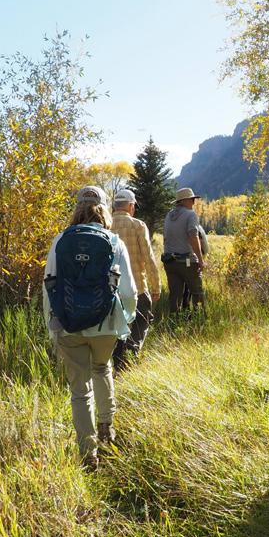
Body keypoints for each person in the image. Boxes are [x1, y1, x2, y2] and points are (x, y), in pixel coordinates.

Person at [42, 185, 137, 471]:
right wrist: (125, 319)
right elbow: (129, 291)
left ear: (77, 208)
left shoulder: (61, 240)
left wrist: (52, 325)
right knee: (102, 368)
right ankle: (106, 426)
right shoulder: (114, 241)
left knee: (80, 391)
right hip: (105, 324)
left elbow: (48, 286)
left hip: (69, 326)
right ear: (104, 208)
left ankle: (88, 453)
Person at [110, 188, 161, 370]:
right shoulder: (138, 225)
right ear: (131, 206)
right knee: (141, 321)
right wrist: (156, 287)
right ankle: (129, 359)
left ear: (115, 206)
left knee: (117, 328)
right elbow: (148, 258)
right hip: (137, 287)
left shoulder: (105, 225)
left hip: (111, 289)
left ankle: (118, 361)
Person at [161, 187, 206, 313]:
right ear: (184, 201)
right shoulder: (191, 214)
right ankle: (199, 319)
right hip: (187, 261)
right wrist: (200, 260)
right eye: (192, 199)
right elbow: (193, 237)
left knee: (175, 295)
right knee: (197, 292)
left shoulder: (169, 215)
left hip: (169, 261)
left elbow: (165, 239)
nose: (193, 202)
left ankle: (174, 320)